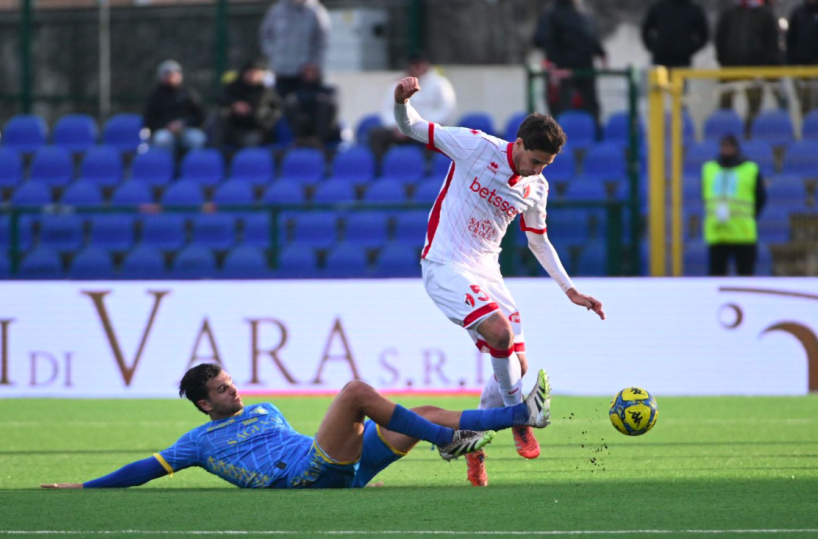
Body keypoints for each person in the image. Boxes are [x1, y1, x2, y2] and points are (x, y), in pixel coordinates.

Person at [391, 76, 605, 487]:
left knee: (515, 364)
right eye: (535, 160)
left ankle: (472, 439)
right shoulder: (475, 146)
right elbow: (413, 127)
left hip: (488, 271)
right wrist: (400, 102)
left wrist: (570, 289)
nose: (537, 170)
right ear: (519, 144)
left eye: (546, 165)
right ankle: (519, 416)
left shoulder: (536, 187)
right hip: (445, 262)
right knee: (501, 335)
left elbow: (538, 241)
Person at [40, 362, 551, 490]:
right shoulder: (197, 443)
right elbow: (145, 470)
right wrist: (84, 485)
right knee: (354, 392)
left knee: (430, 411)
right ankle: (457, 441)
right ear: (202, 405)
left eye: (231, 382)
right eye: (221, 390)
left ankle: (516, 418)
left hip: (333, 465)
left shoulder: (263, 409)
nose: (234, 391)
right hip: (309, 475)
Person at [369, 51, 457, 159]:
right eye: (414, 64)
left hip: (428, 129)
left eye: (420, 64)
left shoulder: (440, 84)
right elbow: (386, 109)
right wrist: (397, 126)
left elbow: (447, 109)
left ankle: (428, 169)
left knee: (436, 139)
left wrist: (423, 126)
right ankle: (380, 169)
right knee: (376, 134)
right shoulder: (398, 84)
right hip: (402, 130)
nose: (417, 67)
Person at [532, 0, 607, 127]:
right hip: (563, 74)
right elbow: (544, 40)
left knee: (590, 111)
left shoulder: (584, 10)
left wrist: (600, 52)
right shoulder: (553, 12)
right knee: (563, 115)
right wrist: (558, 66)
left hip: (585, 72)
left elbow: (589, 36)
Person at [702, 135, 767, 276]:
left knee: (745, 276)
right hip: (717, 232)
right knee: (716, 276)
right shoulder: (709, 169)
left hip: (742, 233)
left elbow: (761, 199)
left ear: (736, 148)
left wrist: (749, 216)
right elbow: (705, 196)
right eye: (723, 146)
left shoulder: (750, 169)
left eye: (729, 146)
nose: (726, 149)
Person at [715, 0, 783, 130]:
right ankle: (726, 135)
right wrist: (724, 61)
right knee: (725, 103)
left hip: (755, 68)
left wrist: (764, 64)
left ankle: (749, 133)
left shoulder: (765, 14)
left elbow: (771, 42)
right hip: (730, 68)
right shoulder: (729, 12)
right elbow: (720, 38)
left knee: (754, 105)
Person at [259, 0, 330, 99]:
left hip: (305, 73)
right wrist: (273, 55)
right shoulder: (277, 10)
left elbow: (321, 42)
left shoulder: (316, 11)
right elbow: (266, 35)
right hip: (281, 71)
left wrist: (314, 64)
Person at [143, 60, 206, 154]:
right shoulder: (155, 96)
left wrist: (183, 124)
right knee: (162, 139)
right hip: (164, 131)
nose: (171, 77)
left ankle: (189, 166)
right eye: (167, 74)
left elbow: (200, 116)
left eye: (174, 73)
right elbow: (149, 121)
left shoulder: (188, 94)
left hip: (185, 130)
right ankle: (168, 166)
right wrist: (166, 125)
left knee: (197, 139)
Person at [219, 60, 282, 148]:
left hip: (257, 129)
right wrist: (234, 105)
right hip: (234, 127)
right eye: (250, 72)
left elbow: (274, 112)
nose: (252, 75)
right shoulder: (234, 87)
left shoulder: (267, 91)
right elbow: (222, 99)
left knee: (250, 141)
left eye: (256, 73)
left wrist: (252, 112)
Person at [284, 63, 341, 147]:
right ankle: (302, 140)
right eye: (307, 72)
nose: (309, 75)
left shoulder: (327, 91)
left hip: (325, 132)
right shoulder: (296, 93)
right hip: (304, 127)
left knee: (324, 104)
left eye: (312, 72)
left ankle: (318, 140)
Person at [641, 0, 709, 69]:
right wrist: (654, 47)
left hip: (682, 61)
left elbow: (704, 35)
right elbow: (646, 30)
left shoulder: (694, 10)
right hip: (660, 60)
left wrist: (688, 50)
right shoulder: (658, 7)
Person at [786, 0, 818, 115]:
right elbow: (790, 41)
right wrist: (791, 64)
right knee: (805, 106)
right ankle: (806, 130)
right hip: (801, 70)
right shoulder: (798, 13)